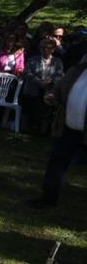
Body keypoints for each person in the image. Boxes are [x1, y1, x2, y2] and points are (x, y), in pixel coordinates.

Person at [27, 58, 87, 209]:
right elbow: (60, 88)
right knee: (57, 162)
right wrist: (53, 95)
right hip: (67, 127)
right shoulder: (76, 71)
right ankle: (48, 198)